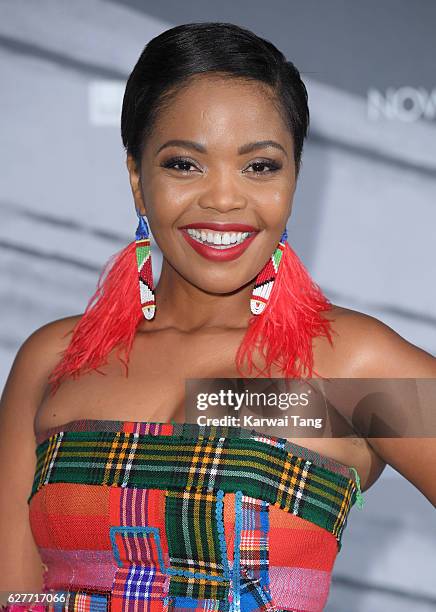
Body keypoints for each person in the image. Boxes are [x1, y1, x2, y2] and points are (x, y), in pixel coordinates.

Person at [0, 21, 435, 612]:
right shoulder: (53, 360)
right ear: (136, 179)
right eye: (184, 164)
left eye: (260, 167)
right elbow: (13, 594)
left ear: (294, 180)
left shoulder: (348, 365)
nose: (225, 199)